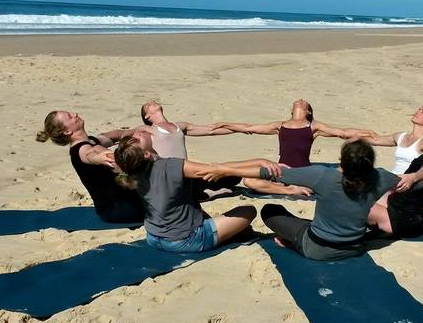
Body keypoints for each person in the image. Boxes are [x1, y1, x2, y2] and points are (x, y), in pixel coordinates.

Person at [113, 131, 281, 253]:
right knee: (248, 211)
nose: (138, 133)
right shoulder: (170, 166)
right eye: (137, 139)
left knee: (194, 208)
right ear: (147, 154)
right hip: (185, 240)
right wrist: (259, 162)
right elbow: (216, 170)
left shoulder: (131, 168)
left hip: (153, 236)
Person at [252, 140, 399, 260]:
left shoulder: (323, 176)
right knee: (307, 224)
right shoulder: (381, 178)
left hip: (316, 250)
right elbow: (406, 181)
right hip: (354, 248)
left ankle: (291, 244)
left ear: (342, 160)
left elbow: (267, 173)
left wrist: (235, 168)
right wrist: (411, 177)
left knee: (270, 210)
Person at [211, 98, 374, 195]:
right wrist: (226, 124)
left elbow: (342, 133)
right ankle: (288, 189)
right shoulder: (279, 125)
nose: (300, 100)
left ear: (308, 112)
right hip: (281, 170)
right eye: (299, 101)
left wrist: (365, 133)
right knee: (249, 181)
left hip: (304, 172)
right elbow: (250, 128)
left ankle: (290, 187)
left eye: (304, 102)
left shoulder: (313, 126)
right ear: (292, 110)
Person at [36, 110, 145, 223]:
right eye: (70, 117)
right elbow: (89, 155)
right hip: (117, 209)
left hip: (126, 200)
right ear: (67, 131)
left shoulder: (92, 141)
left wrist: (143, 130)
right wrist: (98, 158)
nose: (75, 114)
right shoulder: (80, 150)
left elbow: (119, 135)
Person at [364, 103, 423, 173]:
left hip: (407, 181)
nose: (417, 112)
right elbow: (375, 140)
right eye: (419, 109)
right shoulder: (400, 136)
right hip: (393, 177)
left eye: (422, 112)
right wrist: (357, 134)